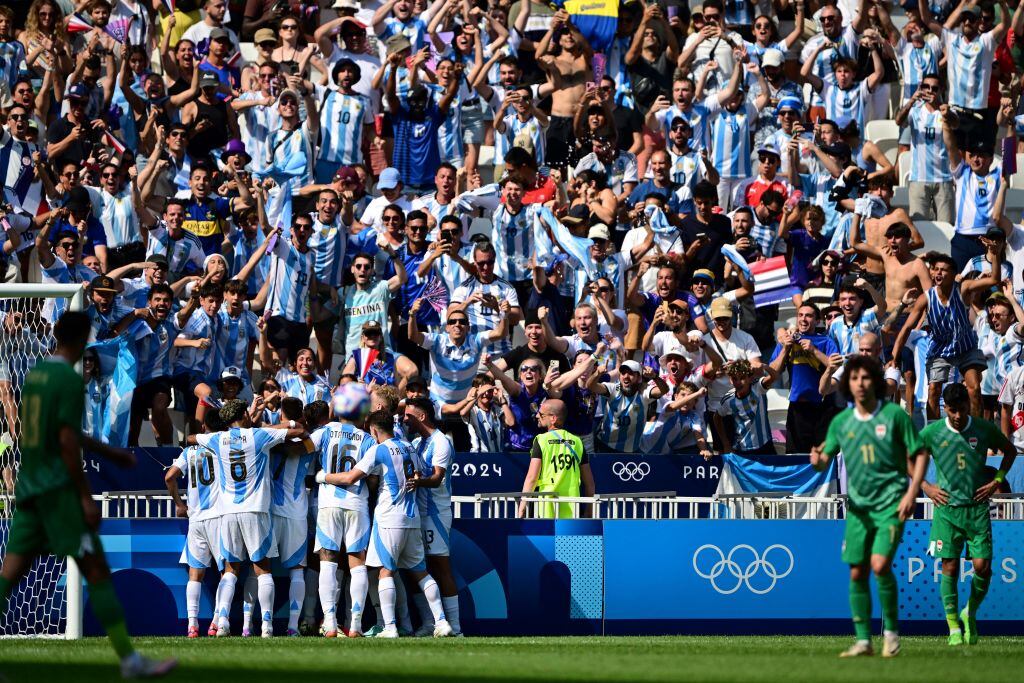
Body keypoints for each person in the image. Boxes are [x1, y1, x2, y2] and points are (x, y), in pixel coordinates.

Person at [0, 311, 176, 678]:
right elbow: (66, 441)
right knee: (96, 571)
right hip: (56, 492)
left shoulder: (36, 374)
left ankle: (130, 661)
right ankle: (130, 661)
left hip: (30, 487)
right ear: (82, 339)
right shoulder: (68, 378)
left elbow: (57, 430)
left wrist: (109, 452)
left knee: (10, 574)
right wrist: (84, 497)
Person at [811, 355, 929, 658]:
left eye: (865, 377)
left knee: (879, 565)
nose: (860, 383)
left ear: (875, 381)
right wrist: (817, 461)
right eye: (854, 378)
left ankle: (891, 634)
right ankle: (863, 641)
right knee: (857, 572)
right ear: (847, 384)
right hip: (858, 510)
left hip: (890, 504)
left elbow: (920, 453)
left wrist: (912, 492)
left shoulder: (893, 415)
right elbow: (824, 459)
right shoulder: (842, 422)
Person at [316, 409, 454, 639]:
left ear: (373, 430)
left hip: (389, 517)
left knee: (385, 572)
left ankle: (390, 627)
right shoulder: (409, 446)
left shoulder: (378, 450)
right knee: (421, 572)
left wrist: (323, 477)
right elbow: (420, 473)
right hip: (412, 518)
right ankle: (442, 622)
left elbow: (350, 477)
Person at [195, 399, 306, 638]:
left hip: (228, 512)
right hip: (256, 510)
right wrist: (282, 425)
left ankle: (222, 623)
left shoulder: (217, 439)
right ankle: (267, 626)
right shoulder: (258, 435)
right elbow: (298, 431)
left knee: (231, 569)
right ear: (245, 415)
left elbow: (191, 438)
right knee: (262, 568)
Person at [920, 383, 1016, 646]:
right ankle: (953, 627)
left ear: (968, 405)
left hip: (977, 509)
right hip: (946, 510)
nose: (957, 415)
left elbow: (1009, 451)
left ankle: (969, 612)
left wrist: (997, 480)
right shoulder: (933, 432)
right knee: (949, 566)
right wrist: (926, 486)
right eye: (952, 410)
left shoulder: (983, 428)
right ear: (945, 408)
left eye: (961, 409)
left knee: (982, 567)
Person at [307, 393, 375, 638]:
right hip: (357, 504)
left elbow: (304, 448)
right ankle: (355, 625)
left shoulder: (325, 431)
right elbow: (373, 477)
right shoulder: (368, 439)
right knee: (357, 564)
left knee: (328, 561)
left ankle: (330, 623)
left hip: (329, 504)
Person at [164, 410, 225, 638]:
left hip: (196, 518)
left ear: (204, 428)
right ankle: (216, 622)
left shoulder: (189, 451)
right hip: (220, 517)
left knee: (195, 573)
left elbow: (169, 477)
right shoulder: (223, 448)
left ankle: (192, 625)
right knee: (227, 571)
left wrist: (179, 504)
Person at [403, 397, 461, 637]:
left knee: (440, 567)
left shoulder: (441, 442)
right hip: (417, 514)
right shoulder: (417, 442)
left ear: (422, 416)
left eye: (408, 415)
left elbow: (437, 478)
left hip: (436, 514)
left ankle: (456, 628)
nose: (405, 419)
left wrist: (417, 482)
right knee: (415, 568)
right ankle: (429, 623)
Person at [517, 398, 595, 519]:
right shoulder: (577, 442)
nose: (537, 416)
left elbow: (532, 478)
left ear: (553, 418)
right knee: (568, 533)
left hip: (547, 508)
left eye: (541, 414)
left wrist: (522, 508)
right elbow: (589, 483)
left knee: (548, 532)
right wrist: (589, 511)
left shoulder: (541, 440)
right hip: (572, 508)